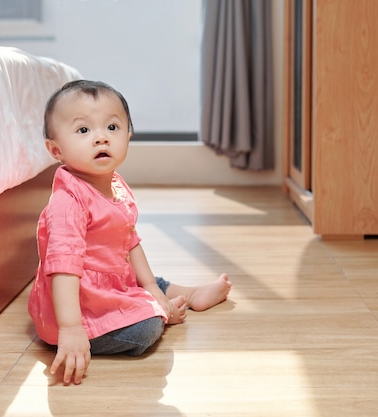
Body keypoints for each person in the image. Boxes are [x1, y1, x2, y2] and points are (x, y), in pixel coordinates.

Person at [28, 79, 232, 386]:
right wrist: (70, 329)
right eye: (84, 131)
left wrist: (150, 287)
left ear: (128, 136)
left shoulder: (117, 186)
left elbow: (129, 241)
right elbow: (64, 271)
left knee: (138, 276)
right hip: (74, 304)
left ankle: (186, 294)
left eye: (112, 128)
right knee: (145, 330)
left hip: (108, 280)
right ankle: (161, 312)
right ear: (56, 149)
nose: (101, 139)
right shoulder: (67, 203)